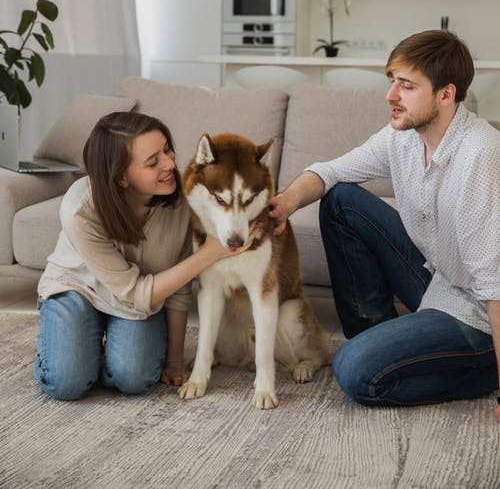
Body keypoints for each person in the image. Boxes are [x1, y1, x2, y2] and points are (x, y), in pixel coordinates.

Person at [269, 30, 500, 423]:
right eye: (392, 81)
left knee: (354, 371)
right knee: (341, 200)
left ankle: (481, 371)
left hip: (476, 309)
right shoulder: (404, 137)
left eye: (406, 86)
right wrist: (284, 204)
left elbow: (494, 285)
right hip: (439, 278)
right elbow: (331, 171)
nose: (390, 96)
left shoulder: (480, 154)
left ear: (446, 95)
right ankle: (381, 340)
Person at [34, 111, 252, 401]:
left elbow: (178, 287)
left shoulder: (183, 201)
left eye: (167, 150)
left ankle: (97, 343)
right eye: (153, 162)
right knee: (66, 383)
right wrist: (210, 254)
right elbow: (133, 290)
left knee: (135, 377)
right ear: (121, 177)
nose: (170, 163)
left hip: (141, 301)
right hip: (79, 289)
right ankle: (76, 338)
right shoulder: (80, 211)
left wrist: (174, 361)